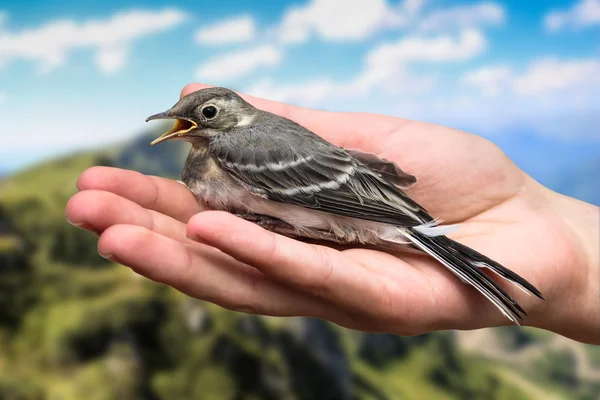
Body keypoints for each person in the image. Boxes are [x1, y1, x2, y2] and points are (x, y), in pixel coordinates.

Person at [65, 83, 599, 345]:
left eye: (205, 115)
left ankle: (473, 266)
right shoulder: (216, 152)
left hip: (366, 209)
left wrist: (405, 223)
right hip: (368, 203)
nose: (192, 124)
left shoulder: (237, 150)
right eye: (187, 119)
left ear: (232, 114)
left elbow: (328, 194)